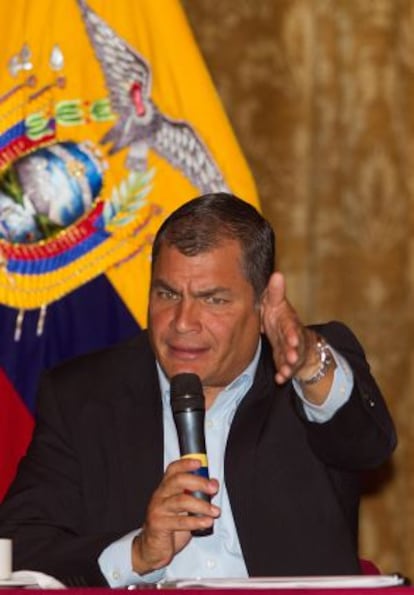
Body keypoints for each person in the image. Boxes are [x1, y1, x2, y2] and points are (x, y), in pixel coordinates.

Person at [0, 193, 396, 587]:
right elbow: (19, 548)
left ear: (262, 307)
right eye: (168, 294)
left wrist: (310, 362)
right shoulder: (84, 395)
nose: (183, 322)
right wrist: (136, 553)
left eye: (213, 299)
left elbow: (367, 445)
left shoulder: (307, 371)